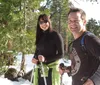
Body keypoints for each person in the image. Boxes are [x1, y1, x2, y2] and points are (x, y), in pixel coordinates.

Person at [67, 8, 100, 85]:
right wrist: (68, 69)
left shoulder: (89, 39)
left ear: (84, 21)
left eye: (76, 21)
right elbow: (82, 64)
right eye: (70, 21)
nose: (72, 23)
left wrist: (94, 80)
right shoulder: (76, 41)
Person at [32, 14, 64, 85]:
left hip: (51, 70)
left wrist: (45, 59)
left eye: (45, 21)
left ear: (49, 22)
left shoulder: (56, 35)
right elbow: (37, 51)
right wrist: (35, 58)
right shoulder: (40, 36)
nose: (43, 24)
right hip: (40, 69)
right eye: (41, 22)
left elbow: (61, 54)